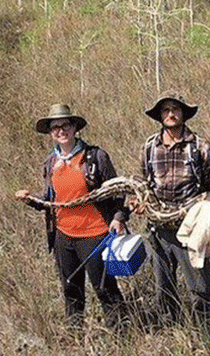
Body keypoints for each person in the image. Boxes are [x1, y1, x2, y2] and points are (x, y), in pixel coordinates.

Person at [15, 104, 128, 333]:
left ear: (75, 127)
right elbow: (51, 200)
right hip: (63, 236)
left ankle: (123, 335)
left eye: (65, 125)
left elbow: (118, 191)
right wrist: (31, 200)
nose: (61, 131)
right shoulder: (50, 163)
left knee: (104, 287)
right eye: (55, 127)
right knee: (70, 288)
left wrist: (118, 218)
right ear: (50, 133)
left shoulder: (95, 157)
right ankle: (75, 334)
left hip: (95, 234)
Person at [135, 93, 210, 356]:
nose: (171, 113)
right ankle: (172, 345)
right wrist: (136, 203)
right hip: (158, 229)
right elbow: (142, 186)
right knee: (164, 290)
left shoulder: (200, 146)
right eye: (165, 110)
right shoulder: (149, 147)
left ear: (184, 113)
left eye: (175, 109)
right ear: (159, 115)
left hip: (191, 230)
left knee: (200, 289)